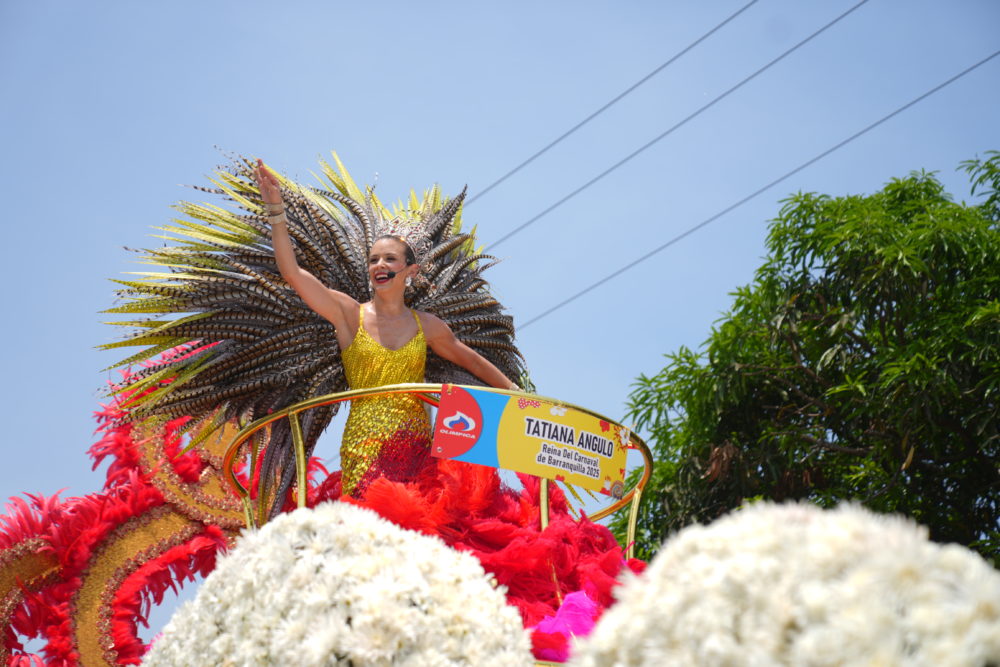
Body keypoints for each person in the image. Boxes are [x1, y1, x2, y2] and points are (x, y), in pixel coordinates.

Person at [254, 159, 519, 494]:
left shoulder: (429, 326)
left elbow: (475, 363)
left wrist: (517, 395)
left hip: (416, 447)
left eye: (389, 259)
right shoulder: (348, 314)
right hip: (364, 446)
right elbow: (292, 273)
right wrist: (276, 211)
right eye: (374, 259)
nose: (379, 265)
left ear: (411, 271)